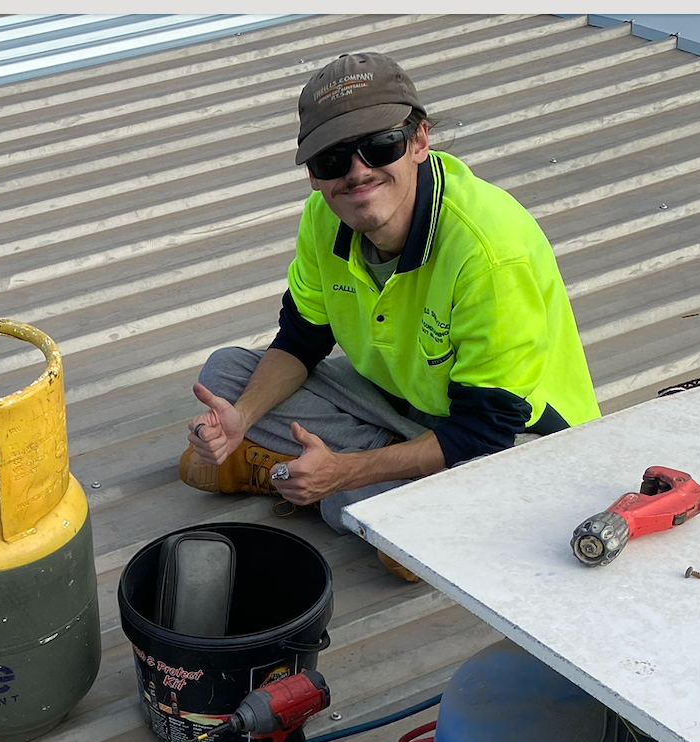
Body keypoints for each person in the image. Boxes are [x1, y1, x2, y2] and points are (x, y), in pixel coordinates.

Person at [182, 51, 599, 577]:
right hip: (403, 400)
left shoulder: (489, 252)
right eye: (332, 160)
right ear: (313, 175)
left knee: (367, 503)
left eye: (380, 145)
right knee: (226, 373)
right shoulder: (323, 216)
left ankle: (324, 481)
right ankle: (366, 490)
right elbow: (300, 341)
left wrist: (344, 471)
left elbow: (485, 430)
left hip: (518, 439)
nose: (357, 173)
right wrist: (240, 419)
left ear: (420, 141)